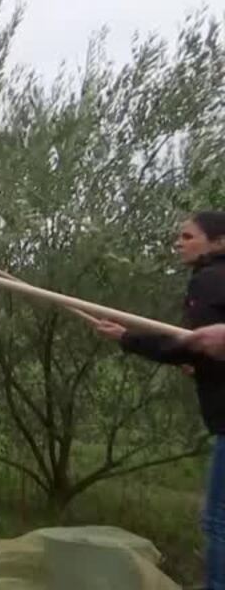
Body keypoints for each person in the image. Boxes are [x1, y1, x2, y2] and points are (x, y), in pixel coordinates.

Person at [92, 211, 225, 589]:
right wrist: (201, 362)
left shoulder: (209, 279)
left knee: (219, 520)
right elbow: (202, 346)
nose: (179, 243)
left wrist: (126, 338)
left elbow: (181, 343)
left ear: (218, 242)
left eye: (188, 236)